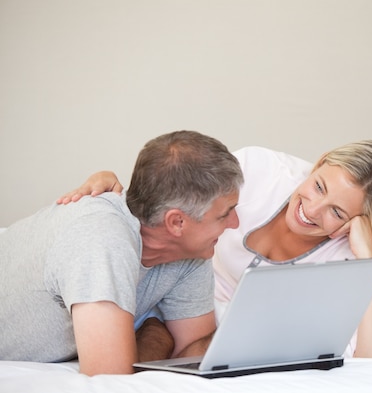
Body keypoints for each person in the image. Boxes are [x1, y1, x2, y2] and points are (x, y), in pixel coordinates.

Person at [59, 140, 372, 358]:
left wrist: (370, 259)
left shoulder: (347, 251)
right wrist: (115, 190)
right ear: (318, 164)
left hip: (224, 334)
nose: (312, 210)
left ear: (359, 221)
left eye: (337, 211)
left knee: (166, 343)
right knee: (154, 333)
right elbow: (176, 204)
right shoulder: (260, 171)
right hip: (179, 301)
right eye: (319, 186)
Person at [0, 130, 243, 376]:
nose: (235, 223)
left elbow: (193, 356)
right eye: (225, 213)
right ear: (176, 222)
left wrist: (157, 334)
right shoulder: (100, 235)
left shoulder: (192, 254)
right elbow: (109, 379)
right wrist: (154, 331)